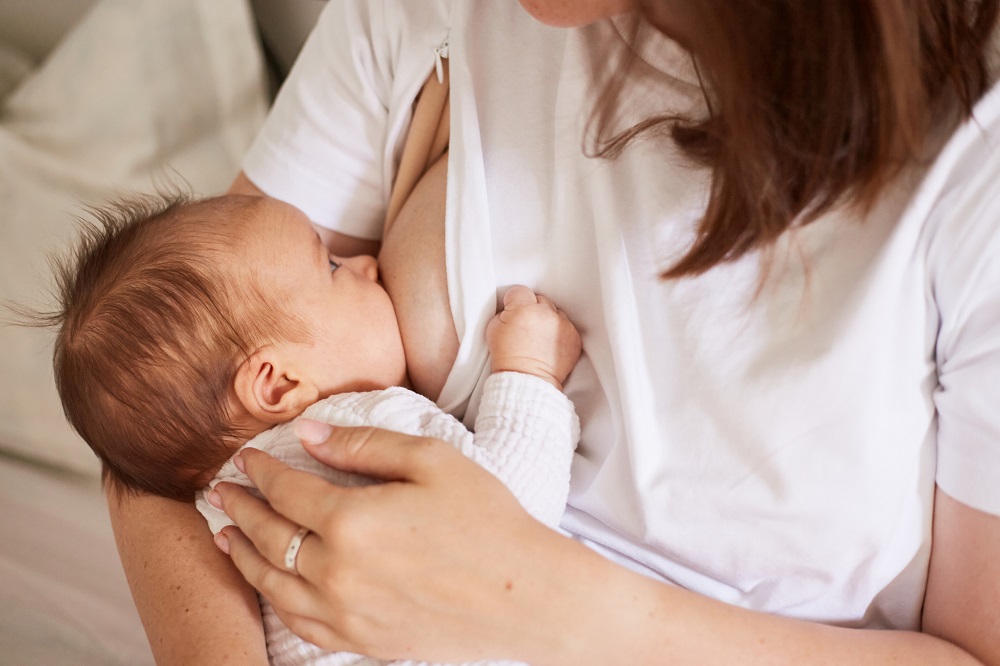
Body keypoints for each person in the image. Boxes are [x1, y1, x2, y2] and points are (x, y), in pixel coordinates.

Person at [107, 1, 1000, 664]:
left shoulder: (976, 154)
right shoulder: (425, 16)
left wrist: (527, 597)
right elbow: (164, 417)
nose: (364, 266)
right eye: (343, 269)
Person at [44, 191, 581, 665]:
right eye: (330, 266)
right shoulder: (358, 427)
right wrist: (529, 371)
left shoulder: (217, 515)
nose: (368, 263)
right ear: (278, 385)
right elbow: (514, 520)